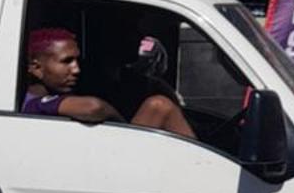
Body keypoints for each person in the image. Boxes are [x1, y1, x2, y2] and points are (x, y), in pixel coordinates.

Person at [22, 27, 195, 138]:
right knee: (159, 106)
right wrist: (123, 125)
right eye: (66, 62)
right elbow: (93, 107)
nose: (76, 69)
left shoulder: (54, 95)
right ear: (36, 68)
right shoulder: (32, 103)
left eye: (76, 61)